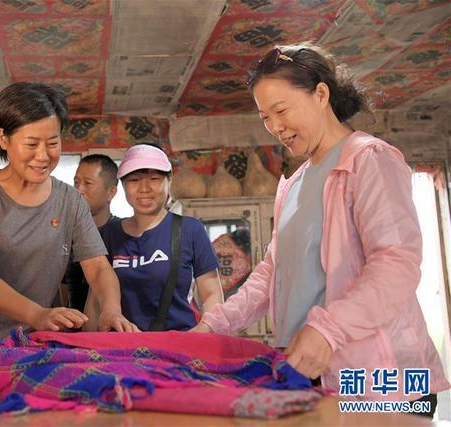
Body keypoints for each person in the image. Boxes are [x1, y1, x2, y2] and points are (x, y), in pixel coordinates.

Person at [191, 43, 449, 412]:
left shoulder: (369, 159)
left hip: (382, 378)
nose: (275, 127)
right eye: (265, 117)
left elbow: (396, 264)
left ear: (321, 94)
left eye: (281, 111)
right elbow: (271, 273)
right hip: (314, 375)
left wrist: (328, 330)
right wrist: (214, 325)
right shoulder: (293, 185)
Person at [0, 82, 137, 358]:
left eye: (53, 143)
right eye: (32, 144)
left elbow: (98, 268)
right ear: (4, 139)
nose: (43, 156)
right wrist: (37, 314)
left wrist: (111, 310)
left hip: (37, 346)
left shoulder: (70, 201)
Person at [85, 144, 224, 331]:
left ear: (169, 180)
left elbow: (212, 294)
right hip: (123, 342)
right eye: (134, 180)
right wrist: (90, 342)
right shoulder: (108, 235)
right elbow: (95, 299)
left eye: (154, 179)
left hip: (179, 340)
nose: (144, 188)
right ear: (123, 186)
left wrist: (203, 333)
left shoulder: (190, 230)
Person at [63, 154, 120, 312]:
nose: (79, 190)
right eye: (76, 182)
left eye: (88, 183)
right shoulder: (64, 233)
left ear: (111, 192)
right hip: (73, 323)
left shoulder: (122, 234)